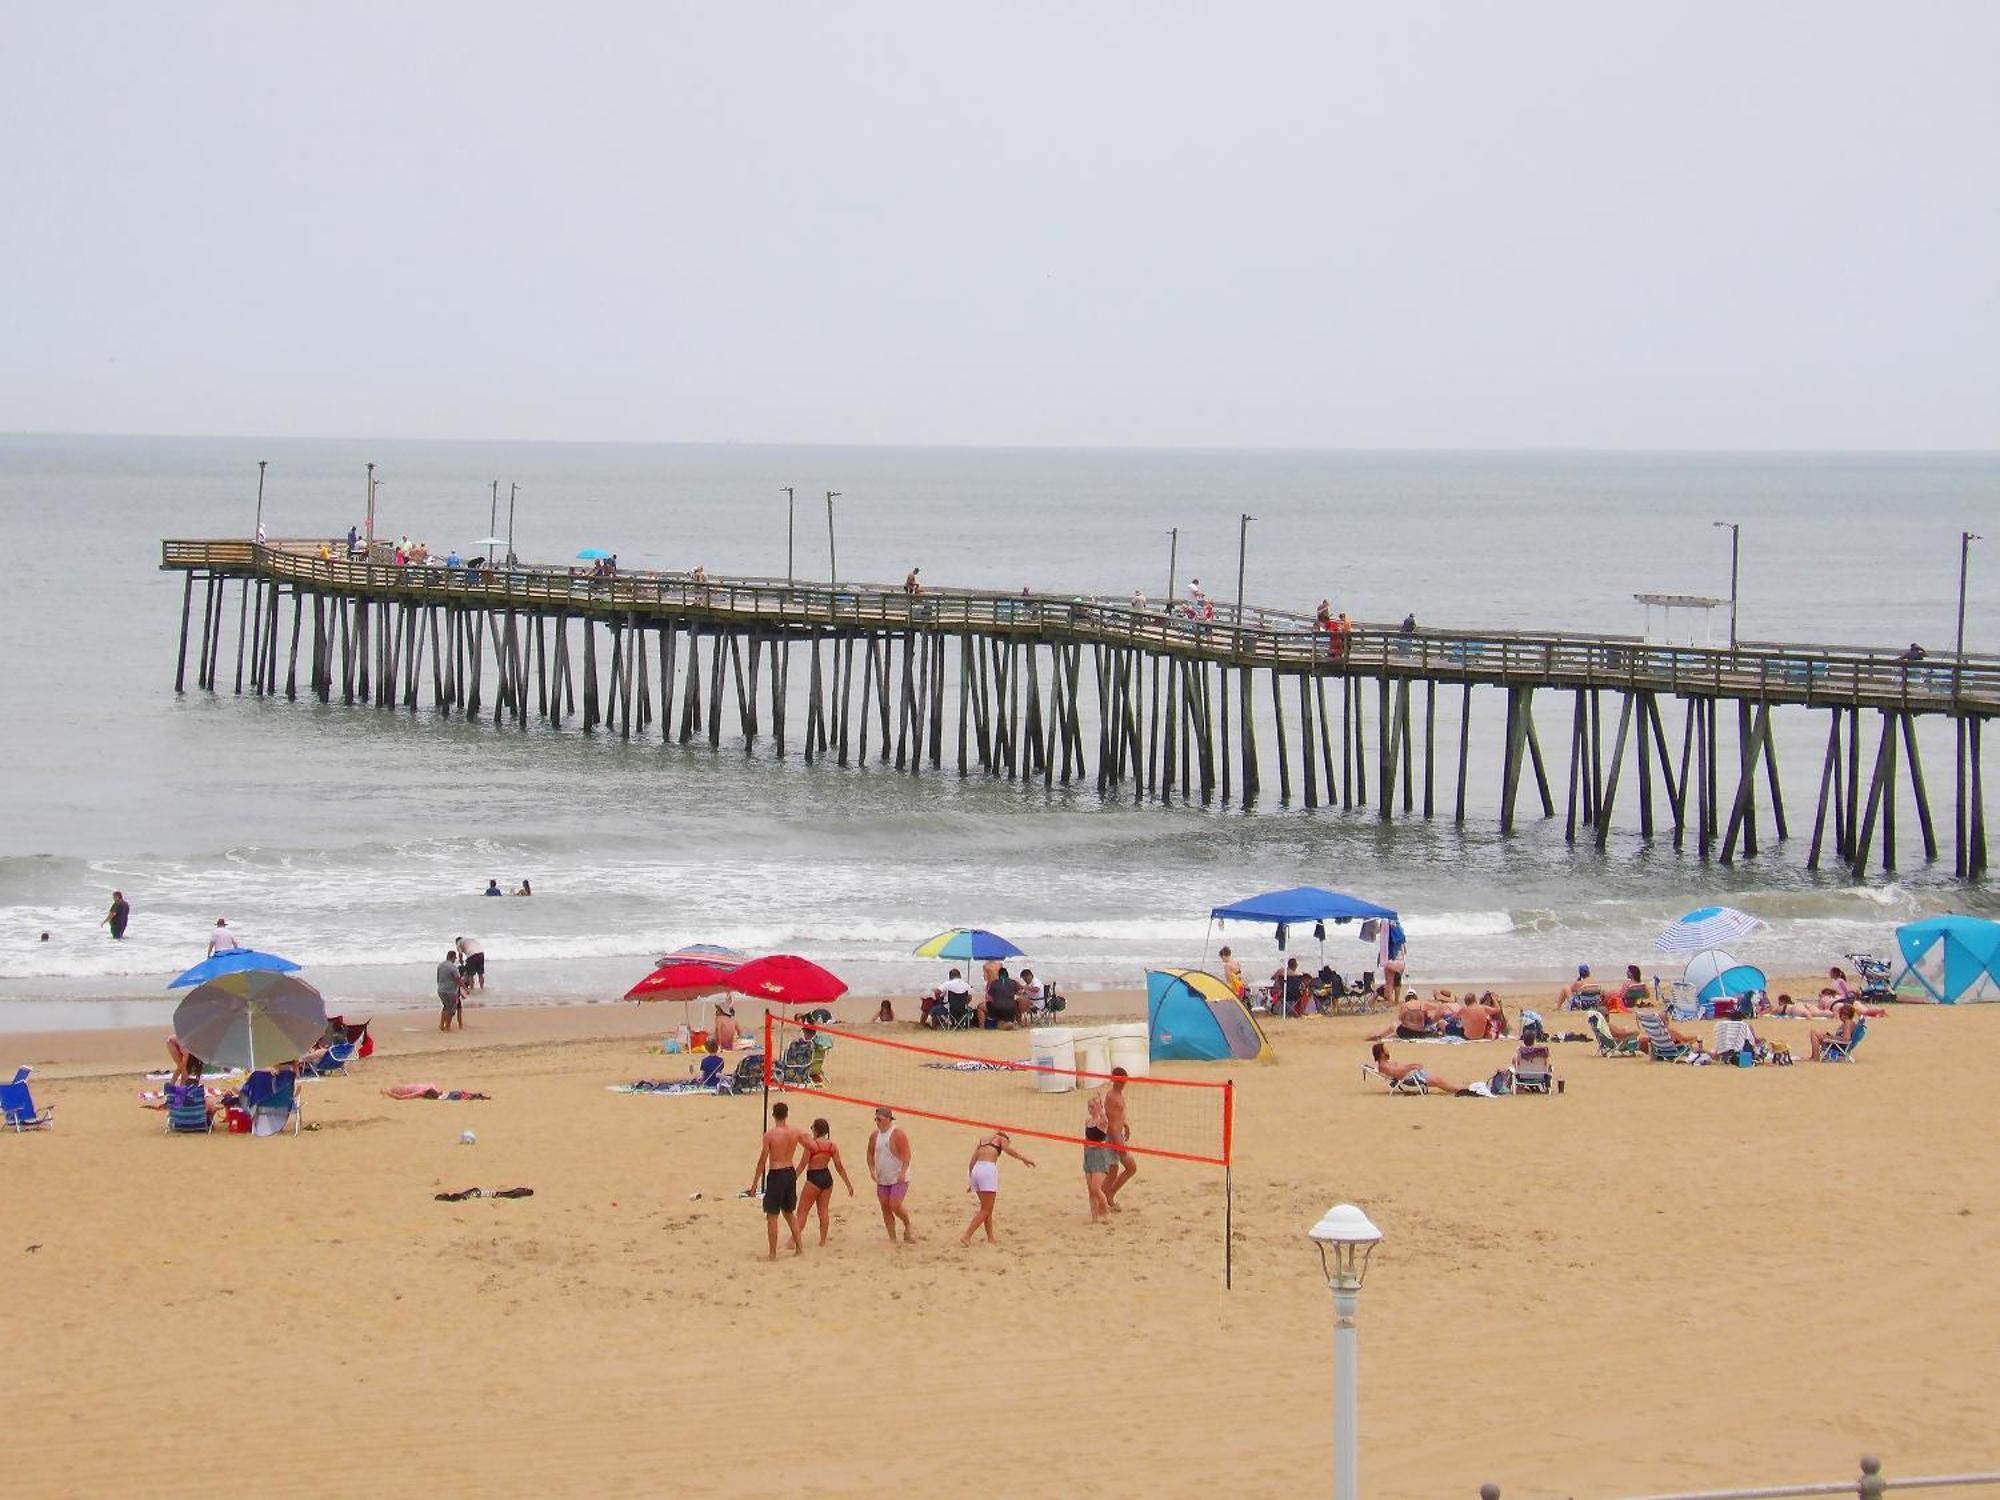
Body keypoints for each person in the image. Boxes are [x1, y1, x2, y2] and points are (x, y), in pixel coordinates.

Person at [749, 1101, 809, 1260]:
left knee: (772, 1215)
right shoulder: (795, 1132)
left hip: (776, 1173)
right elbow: (811, 1146)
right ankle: (800, 1248)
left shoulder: (770, 1135)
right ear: (787, 1114)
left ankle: (773, 1253)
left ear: (774, 1115)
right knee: (789, 1213)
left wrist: (754, 1183)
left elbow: (762, 1160)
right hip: (790, 1171)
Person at [959, 1130, 1036, 1247]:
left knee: (987, 1208)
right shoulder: (1001, 1139)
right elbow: (1008, 1150)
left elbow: (972, 1161)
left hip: (976, 1171)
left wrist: (971, 1180)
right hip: (988, 1171)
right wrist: (1023, 1158)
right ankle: (967, 1236)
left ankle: (991, 1238)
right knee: (985, 1209)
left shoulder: (982, 1141)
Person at [796, 1117, 855, 1246]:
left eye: (812, 1128)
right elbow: (839, 1166)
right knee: (823, 1211)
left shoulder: (812, 1145)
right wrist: (848, 1184)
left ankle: (793, 1240)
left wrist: (792, 1179)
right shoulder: (831, 1146)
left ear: (816, 1130)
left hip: (813, 1178)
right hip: (826, 1178)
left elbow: (802, 1165)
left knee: (802, 1211)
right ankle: (823, 1240)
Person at [866, 1107, 915, 1242]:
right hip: (882, 1177)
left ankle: (907, 1225)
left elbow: (907, 1155)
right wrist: (871, 1170)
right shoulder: (875, 1135)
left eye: (879, 1119)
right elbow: (869, 1154)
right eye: (875, 1119)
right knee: (884, 1206)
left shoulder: (897, 1133)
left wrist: (903, 1172)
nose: (877, 1122)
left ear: (888, 1119)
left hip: (898, 1177)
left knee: (895, 1205)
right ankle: (892, 1238)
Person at [1368, 1040, 1471, 1095]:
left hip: (1411, 1075)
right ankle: (1463, 1089)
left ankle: (1462, 1087)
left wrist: (1411, 1066)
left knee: (1440, 1080)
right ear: (1381, 1054)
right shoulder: (1384, 1066)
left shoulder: (1384, 1063)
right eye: (1385, 1049)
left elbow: (1399, 1070)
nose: (1387, 1051)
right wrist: (1412, 1067)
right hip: (1412, 1077)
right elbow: (1398, 1073)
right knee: (1439, 1082)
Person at [1101, 1067, 1138, 1210]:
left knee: (1123, 1169)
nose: (1123, 1083)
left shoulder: (1117, 1094)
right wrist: (1118, 1144)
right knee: (1122, 1170)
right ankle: (1103, 1200)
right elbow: (1111, 1124)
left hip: (1117, 1136)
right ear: (1114, 1080)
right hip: (1113, 1138)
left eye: (1124, 1081)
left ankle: (1108, 1197)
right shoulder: (1112, 1097)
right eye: (1121, 1081)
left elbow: (1116, 1117)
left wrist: (1125, 1124)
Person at [1083, 1091, 1114, 1222]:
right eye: (1089, 1107)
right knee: (1091, 1191)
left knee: (1096, 1189)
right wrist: (1084, 1156)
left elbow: (1105, 1119)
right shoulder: (1088, 1122)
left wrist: (1100, 1104)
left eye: (1092, 1107)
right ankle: (1094, 1218)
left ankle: (1106, 1210)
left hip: (1100, 1156)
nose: (1090, 1110)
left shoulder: (1101, 1122)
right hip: (1089, 1156)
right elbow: (1085, 1140)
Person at [436, 948, 464, 1031]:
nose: (455, 960)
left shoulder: (440, 965)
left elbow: (438, 978)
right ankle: (447, 1027)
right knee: (451, 1010)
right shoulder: (453, 967)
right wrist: (465, 989)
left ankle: (441, 1025)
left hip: (441, 990)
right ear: (453, 957)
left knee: (445, 1007)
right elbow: (458, 979)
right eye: (455, 958)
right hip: (450, 992)